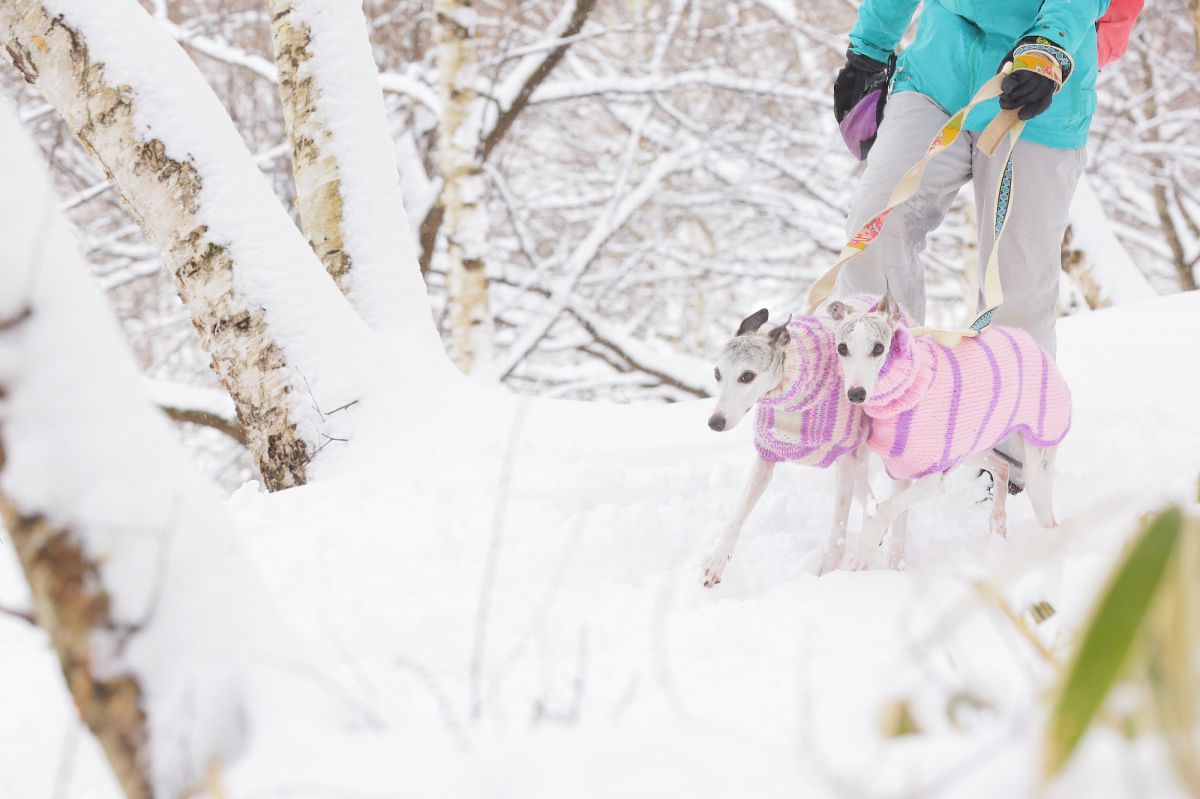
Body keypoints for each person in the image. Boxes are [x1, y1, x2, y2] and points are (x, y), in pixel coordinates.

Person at [831, 1, 1115, 357]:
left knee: (1017, 279)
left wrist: (1049, 45)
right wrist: (868, 52)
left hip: (1036, 87)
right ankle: (874, 380)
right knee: (877, 219)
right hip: (937, 75)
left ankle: (1016, 401)